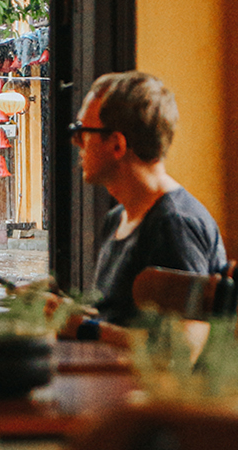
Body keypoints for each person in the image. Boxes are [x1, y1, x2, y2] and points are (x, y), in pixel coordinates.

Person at [64, 71, 228, 347]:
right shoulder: (118, 218)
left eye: (82, 132)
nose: (76, 142)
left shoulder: (174, 224)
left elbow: (181, 352)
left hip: (158, 391)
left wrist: (84, 328)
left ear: (117, 144)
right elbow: (117, 320)